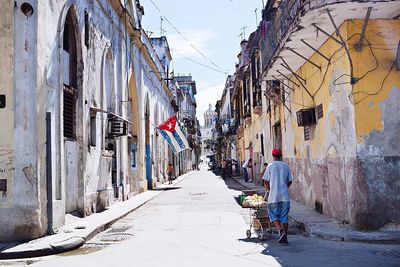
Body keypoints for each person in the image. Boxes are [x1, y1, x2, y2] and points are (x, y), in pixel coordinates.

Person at [262, 148, 293, 244]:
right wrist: (284, 187)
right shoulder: (286, 166)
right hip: (284, 196)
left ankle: (280, 230)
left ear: (273, 156)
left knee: (273, 214)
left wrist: (269, 190)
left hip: (273, 197)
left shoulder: (270, 166)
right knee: (284, 217)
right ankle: (285, 236)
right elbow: (290, 180)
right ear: (281, 155)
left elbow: (266, 181)